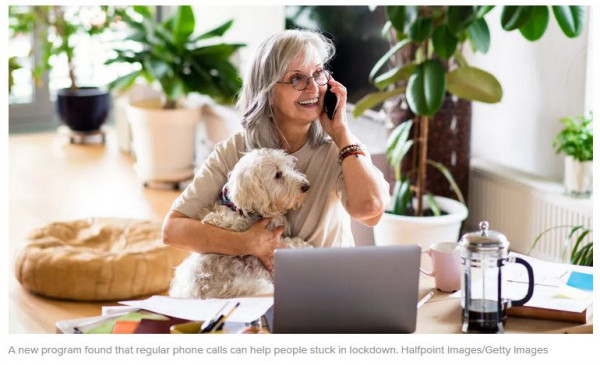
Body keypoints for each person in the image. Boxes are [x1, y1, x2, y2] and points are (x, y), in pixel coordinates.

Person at [162, 29, 390, 271]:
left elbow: (371, 212)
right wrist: (246, 243)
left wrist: (342, 133)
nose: (313, 87)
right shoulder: (235, 150)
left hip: (325, 285)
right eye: (296, 78)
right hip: (259, 294)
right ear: (267, 91)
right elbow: (173, 230)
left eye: (317, 74)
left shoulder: (342, 148)